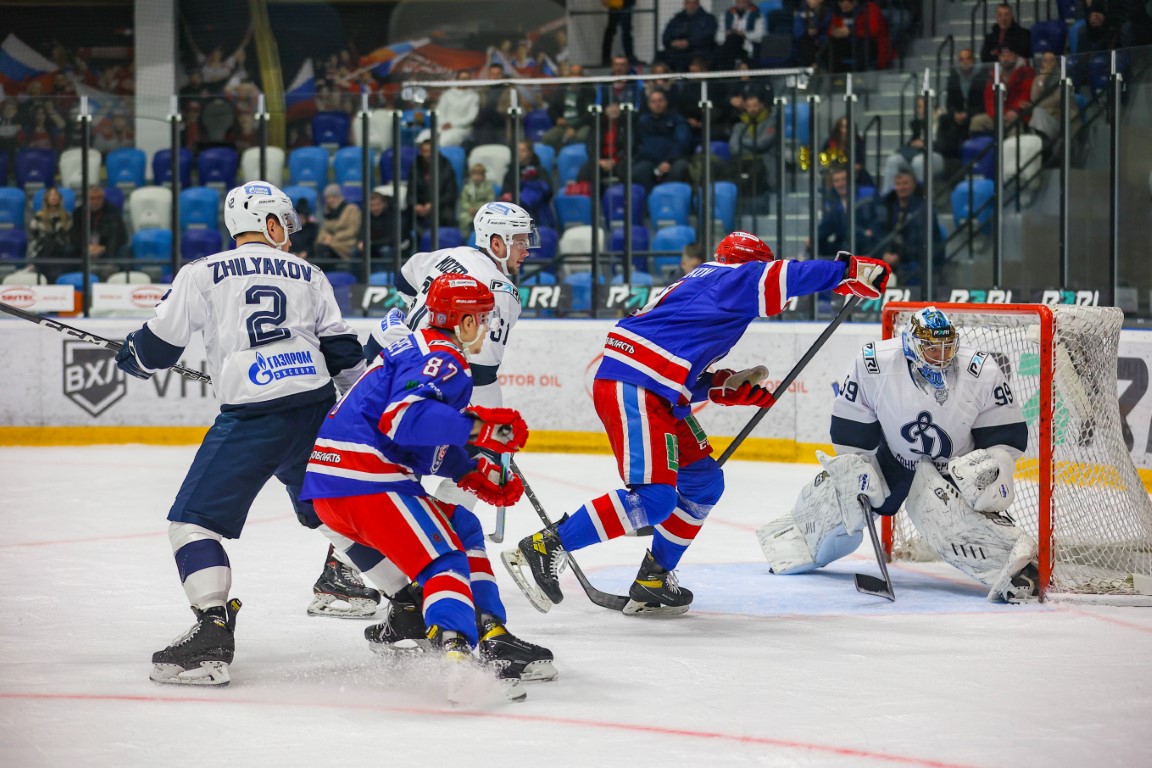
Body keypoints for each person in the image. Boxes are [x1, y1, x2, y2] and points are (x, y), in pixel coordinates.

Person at [503, 232, 891, 615]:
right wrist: (846, 270)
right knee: (655, 499)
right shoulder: (729, 277)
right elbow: (781, 275)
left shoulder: (704, 289)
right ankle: (547, 545)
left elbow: (676, 363)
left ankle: (654, 577)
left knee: (703, 482)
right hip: (637, 387)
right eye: (759, 266)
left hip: (656, 387)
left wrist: (723, 387)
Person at [114, 181, 367, 686]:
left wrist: (132, 357)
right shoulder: (311, 273)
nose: (289, 237)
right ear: (268, 224)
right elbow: (345, 358)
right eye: (285, 226)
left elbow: (158, 348)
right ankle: (407, 605)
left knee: (192, 524)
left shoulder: (201, 272)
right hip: (317, 409)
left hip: (255, 416)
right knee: (332, 517)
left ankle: (211, 632)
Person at [301, 273, 542, 698]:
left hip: (330, 487)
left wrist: (466, 470)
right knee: (444, 559)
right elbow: (405, 419)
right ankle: (459, 659)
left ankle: (491, 629)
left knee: (463, 526)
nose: (485, 327)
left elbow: (408, 440)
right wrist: (480, 428)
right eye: (482, 318)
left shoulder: (413, 347)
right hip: (369, 484)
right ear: (464, 321)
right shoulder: (445, 357)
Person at [353, 203, 555, 683]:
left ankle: (388, 597)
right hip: (432, 391)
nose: (527, 250)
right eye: (520, 241)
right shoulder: (500, 292)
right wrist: (490, 435)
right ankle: (470, 617)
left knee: (373, 484)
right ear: (497, 242)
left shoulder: (444, 254)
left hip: (382, 376)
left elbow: (404, 282)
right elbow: (479, 373)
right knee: (454, 511)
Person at [756, 306, 1040, 602]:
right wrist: (859, 464)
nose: (941, 355)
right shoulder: (874, 364)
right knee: (842, 495)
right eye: (932, 348)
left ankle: (1017, 572)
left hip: (953, 471)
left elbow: (1004, 433)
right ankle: (796, 542)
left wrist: (997, 468)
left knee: (948, 523)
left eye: (946, 347)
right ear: (913, 345)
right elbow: (851, 423)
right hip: (891, 458)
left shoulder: (980, 370)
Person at [858, 169, 944, 286]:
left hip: (913, 259)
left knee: (914, 270)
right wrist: (884, 253)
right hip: (886, 257)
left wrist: (899, 256)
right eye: (898, 184)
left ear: (914, 185)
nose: (901, 187)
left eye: (905, 183)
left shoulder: (924, 209)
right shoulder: (884, 206)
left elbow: (920, 241)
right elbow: (877, 233)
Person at [880, 95, 945, 195]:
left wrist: (926, 144)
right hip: (920, 154)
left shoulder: (944, 120)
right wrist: (913, 144)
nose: (921, 110)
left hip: (938, 156)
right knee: (893, 160)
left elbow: (948, 145)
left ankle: (921, 198)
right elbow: (912, 142)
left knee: (919, 161)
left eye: (924, 106)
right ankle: (887, 197)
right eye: (919, 107)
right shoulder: (919, 124)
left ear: (933, 106)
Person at [632, 89, 693, 191]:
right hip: (650, 161)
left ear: (666, 102)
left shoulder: (677, 119)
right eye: (653, 101)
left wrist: (668, 161)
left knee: (680, 168)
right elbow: (640, 144)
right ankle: (650, 201)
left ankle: (668, 201)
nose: (657, 104)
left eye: (660, 101)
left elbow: (682, 143)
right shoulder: (643, 121)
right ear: (648, 104)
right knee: (638, 171)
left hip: (673, 160)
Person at [968, 44, 1033, 135]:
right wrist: (997, 114)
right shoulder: (994, 74)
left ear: (1016, 56)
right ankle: (979, 148)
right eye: (1003, 56)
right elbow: (989, 98)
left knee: (1015, 128)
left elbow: (1025, 94)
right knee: (977, 121)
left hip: (1018, 116)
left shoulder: (1026, 72)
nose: (1006, 59)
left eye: (1009, 55)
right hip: (998, 115)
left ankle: (1013, 148)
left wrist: (1014, 111)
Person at [407, 134, 459, 245]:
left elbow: (451, 193)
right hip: (421, 208)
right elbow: (410, 192)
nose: (427, 155)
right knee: (406, 217)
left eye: (429, 151)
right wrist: (415, 205)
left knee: (448, 215)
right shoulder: (415, 166)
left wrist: (433, 205)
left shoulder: (445, 165)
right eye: (424, 151)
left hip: (441, 206)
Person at [937, 48, 988, 159]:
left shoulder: (982, 77)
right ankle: (946, 156)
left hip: (975, 112)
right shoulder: (954, 77)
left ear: (974, 60)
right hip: (958, 114)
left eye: (968, 58)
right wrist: (955, 113)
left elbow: (984, 103)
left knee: (973, 121)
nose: (965, 62)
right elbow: (949, 102)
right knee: (944, 120)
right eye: (961, 59)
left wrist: (968, 114)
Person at [70, 185, 127, 278]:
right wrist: (85, 247)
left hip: (107, 251)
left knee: (124, 251)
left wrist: (104, 248)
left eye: (98, 198)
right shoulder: (78, 213)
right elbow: (74, 235)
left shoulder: (113, 212)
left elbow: (121, 237)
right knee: (69, 251)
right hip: (84, 250)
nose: (95, 202)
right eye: (92, 198)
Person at [500, 140, 554, 229]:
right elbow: (505, 192)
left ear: (530, 153)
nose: (519, 154)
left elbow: (548, 192)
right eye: (517, 151)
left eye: (522, 151)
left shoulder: (539, 171)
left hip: (536, 213)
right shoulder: (511, 172)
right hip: (515, 213)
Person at [539, 63, 593, 153]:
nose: (576, 77)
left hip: (581, 125)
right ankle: (558, 159)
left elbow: (588, 114)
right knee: (547, 138)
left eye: (578, 74)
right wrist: (557, 119)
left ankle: (577, 160)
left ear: (582, 76)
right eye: (573, 74)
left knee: (580, 137)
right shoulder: (562, 89)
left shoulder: (588, 91)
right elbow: (551, 109)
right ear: (569, 75)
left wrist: (574, 127)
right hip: (564, 125)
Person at [827, 0, 892, 72]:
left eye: (844, 2)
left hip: (870, 43)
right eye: (840, 2)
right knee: (829, 47)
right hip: (848, 43)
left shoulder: (869, 8)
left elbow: (873, 32)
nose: (842, 5)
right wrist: (835, 33)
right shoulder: (838, 11)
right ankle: (836, 76)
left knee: (864, 45)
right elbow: (832, 28)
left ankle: (858, 77)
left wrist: (851, 32)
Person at [661, 0, 720, 72]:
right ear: (684, 4)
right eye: (688, 3)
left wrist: (689, 42)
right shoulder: (676, 20)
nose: (691, 6)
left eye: (694, 3)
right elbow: (665, 37)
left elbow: (708, 36)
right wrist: (672, 43)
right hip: (676, 54)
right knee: (660, 61)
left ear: (698, 4)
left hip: (700, 53)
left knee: (696, 65)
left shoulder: (708, 19)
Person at [28, 187, 72, 281]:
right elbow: (34, 239)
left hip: (62, 252)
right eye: (51, 195)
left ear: (60, 198)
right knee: (49, 246)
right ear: (46, 199)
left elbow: (69, 237)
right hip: (44, 251)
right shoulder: (38, 217)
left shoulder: (67, 216)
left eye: (56, 195)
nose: (54, 197)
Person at [314, 184, 362, 269]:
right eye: (328, 198)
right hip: (329, 244)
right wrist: (325, 238)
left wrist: (334, 238)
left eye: (333, 197)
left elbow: (353, 230)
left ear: (339, 197)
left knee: (323, 252)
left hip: (346, 243)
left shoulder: (352, 209)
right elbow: (323, 230)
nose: (331, 200)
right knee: (319, 248)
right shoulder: (328, 212)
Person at [435, 70, 481, 148]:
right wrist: (443, 123)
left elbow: (471, 117)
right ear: (457, 79)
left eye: (466, 79)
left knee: (445, 140)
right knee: (425, 137)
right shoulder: (447, 94)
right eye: (462, 79)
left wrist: (452, 124)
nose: (463, 81)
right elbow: (440, 112)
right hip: (442, 126)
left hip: (462, 129)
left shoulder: (474, 96)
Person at [715, 0, 765, 71]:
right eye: (739, 2)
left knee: (735, 39)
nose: (741, 4)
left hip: (747, 48)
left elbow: (760, 36)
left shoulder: (757, 15)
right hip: (728, 48)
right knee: (732, 39)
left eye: (743, 2)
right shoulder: (726, 15)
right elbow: (718, 37)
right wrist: (727, 34)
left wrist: (744, 34)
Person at [459, 163, 496, 236]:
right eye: (474, 174)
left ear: (483, 176)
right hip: (470, 211)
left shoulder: (488, 188)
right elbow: (464, 200)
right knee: (463, 217)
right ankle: (465, 237)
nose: (477, 177)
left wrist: (479, 209)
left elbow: (490, 201)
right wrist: (469, 208)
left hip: (483, 211)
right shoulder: (467, 187)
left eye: (479, 175)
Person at [602, 0, 639, 66]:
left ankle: (630, 57)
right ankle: (606, 58)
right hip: (615, 3)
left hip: (626, 3)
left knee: (626, 30)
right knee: (612, 30)